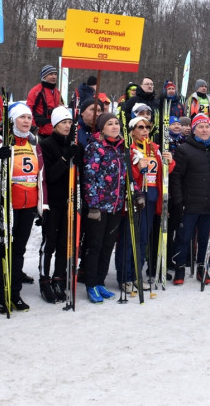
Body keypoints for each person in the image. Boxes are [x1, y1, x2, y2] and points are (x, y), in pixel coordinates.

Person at [0, 102, 48, 313]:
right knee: (2, 250)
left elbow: (41, 177)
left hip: (28, 205)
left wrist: (42, 206)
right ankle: (0, 293)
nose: (26, 122)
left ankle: (15, 293)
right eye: (22, 117)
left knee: (18, 250)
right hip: (6, 205)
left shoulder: (34, 144)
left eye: (29, 118)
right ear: (12, 120)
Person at [169, 114, 210, 285]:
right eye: (200, 127)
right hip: (189, 203)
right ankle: (180, 268)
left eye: (207, 127)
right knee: (183, 237)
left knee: (205, 238)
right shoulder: (184, 149)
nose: (204, 130)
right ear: (194, 130)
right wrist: (179, 202)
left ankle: (203, 267)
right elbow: (176, 178)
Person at [117, 116, 173, 293]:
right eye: (140, 127)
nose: (145, 130)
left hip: (151, 200)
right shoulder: (129, 149)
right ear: (132, 131)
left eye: (147, 127)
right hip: (136, 199)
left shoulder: (154, 148)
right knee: (129, 238)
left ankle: (136, 276)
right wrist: (135, 166)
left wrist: (170, 161)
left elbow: (164, 172)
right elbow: (127, 175)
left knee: (142, 240)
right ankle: (125, 277)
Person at [81, 113, 125, 303]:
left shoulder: (120, 148)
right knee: (95, 245)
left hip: (115, 206)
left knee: (108, 246)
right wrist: (92, 205)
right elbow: (89, 178)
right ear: (102, 127)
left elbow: (126, 176)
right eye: (110, 124)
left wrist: (136, 193)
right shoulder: (95, 147)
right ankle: (91, 284)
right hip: (98, 207)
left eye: (116, 123)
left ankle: (100, 282)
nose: (115, 126)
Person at [39, 106, 76, 303]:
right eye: (63, 122)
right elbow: (50, 176)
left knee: (64, 243)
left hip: (69, 201)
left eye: (69, 122)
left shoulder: (72, 142)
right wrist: (64, 158)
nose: (67, 126)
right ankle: (45, 280)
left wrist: (76, 156)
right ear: (55, 124)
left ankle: (59, 278)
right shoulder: (46, 145)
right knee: (50, 241)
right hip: (52, 201)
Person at [26, 65, 64, 138]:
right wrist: (33, 128)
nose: (54, 77)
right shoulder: (36, 91)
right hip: (40, 132)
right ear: (44, 76)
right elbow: (29, 110)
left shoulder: (57, 92)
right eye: (51, 74)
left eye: (55, 74)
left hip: (56, 131)